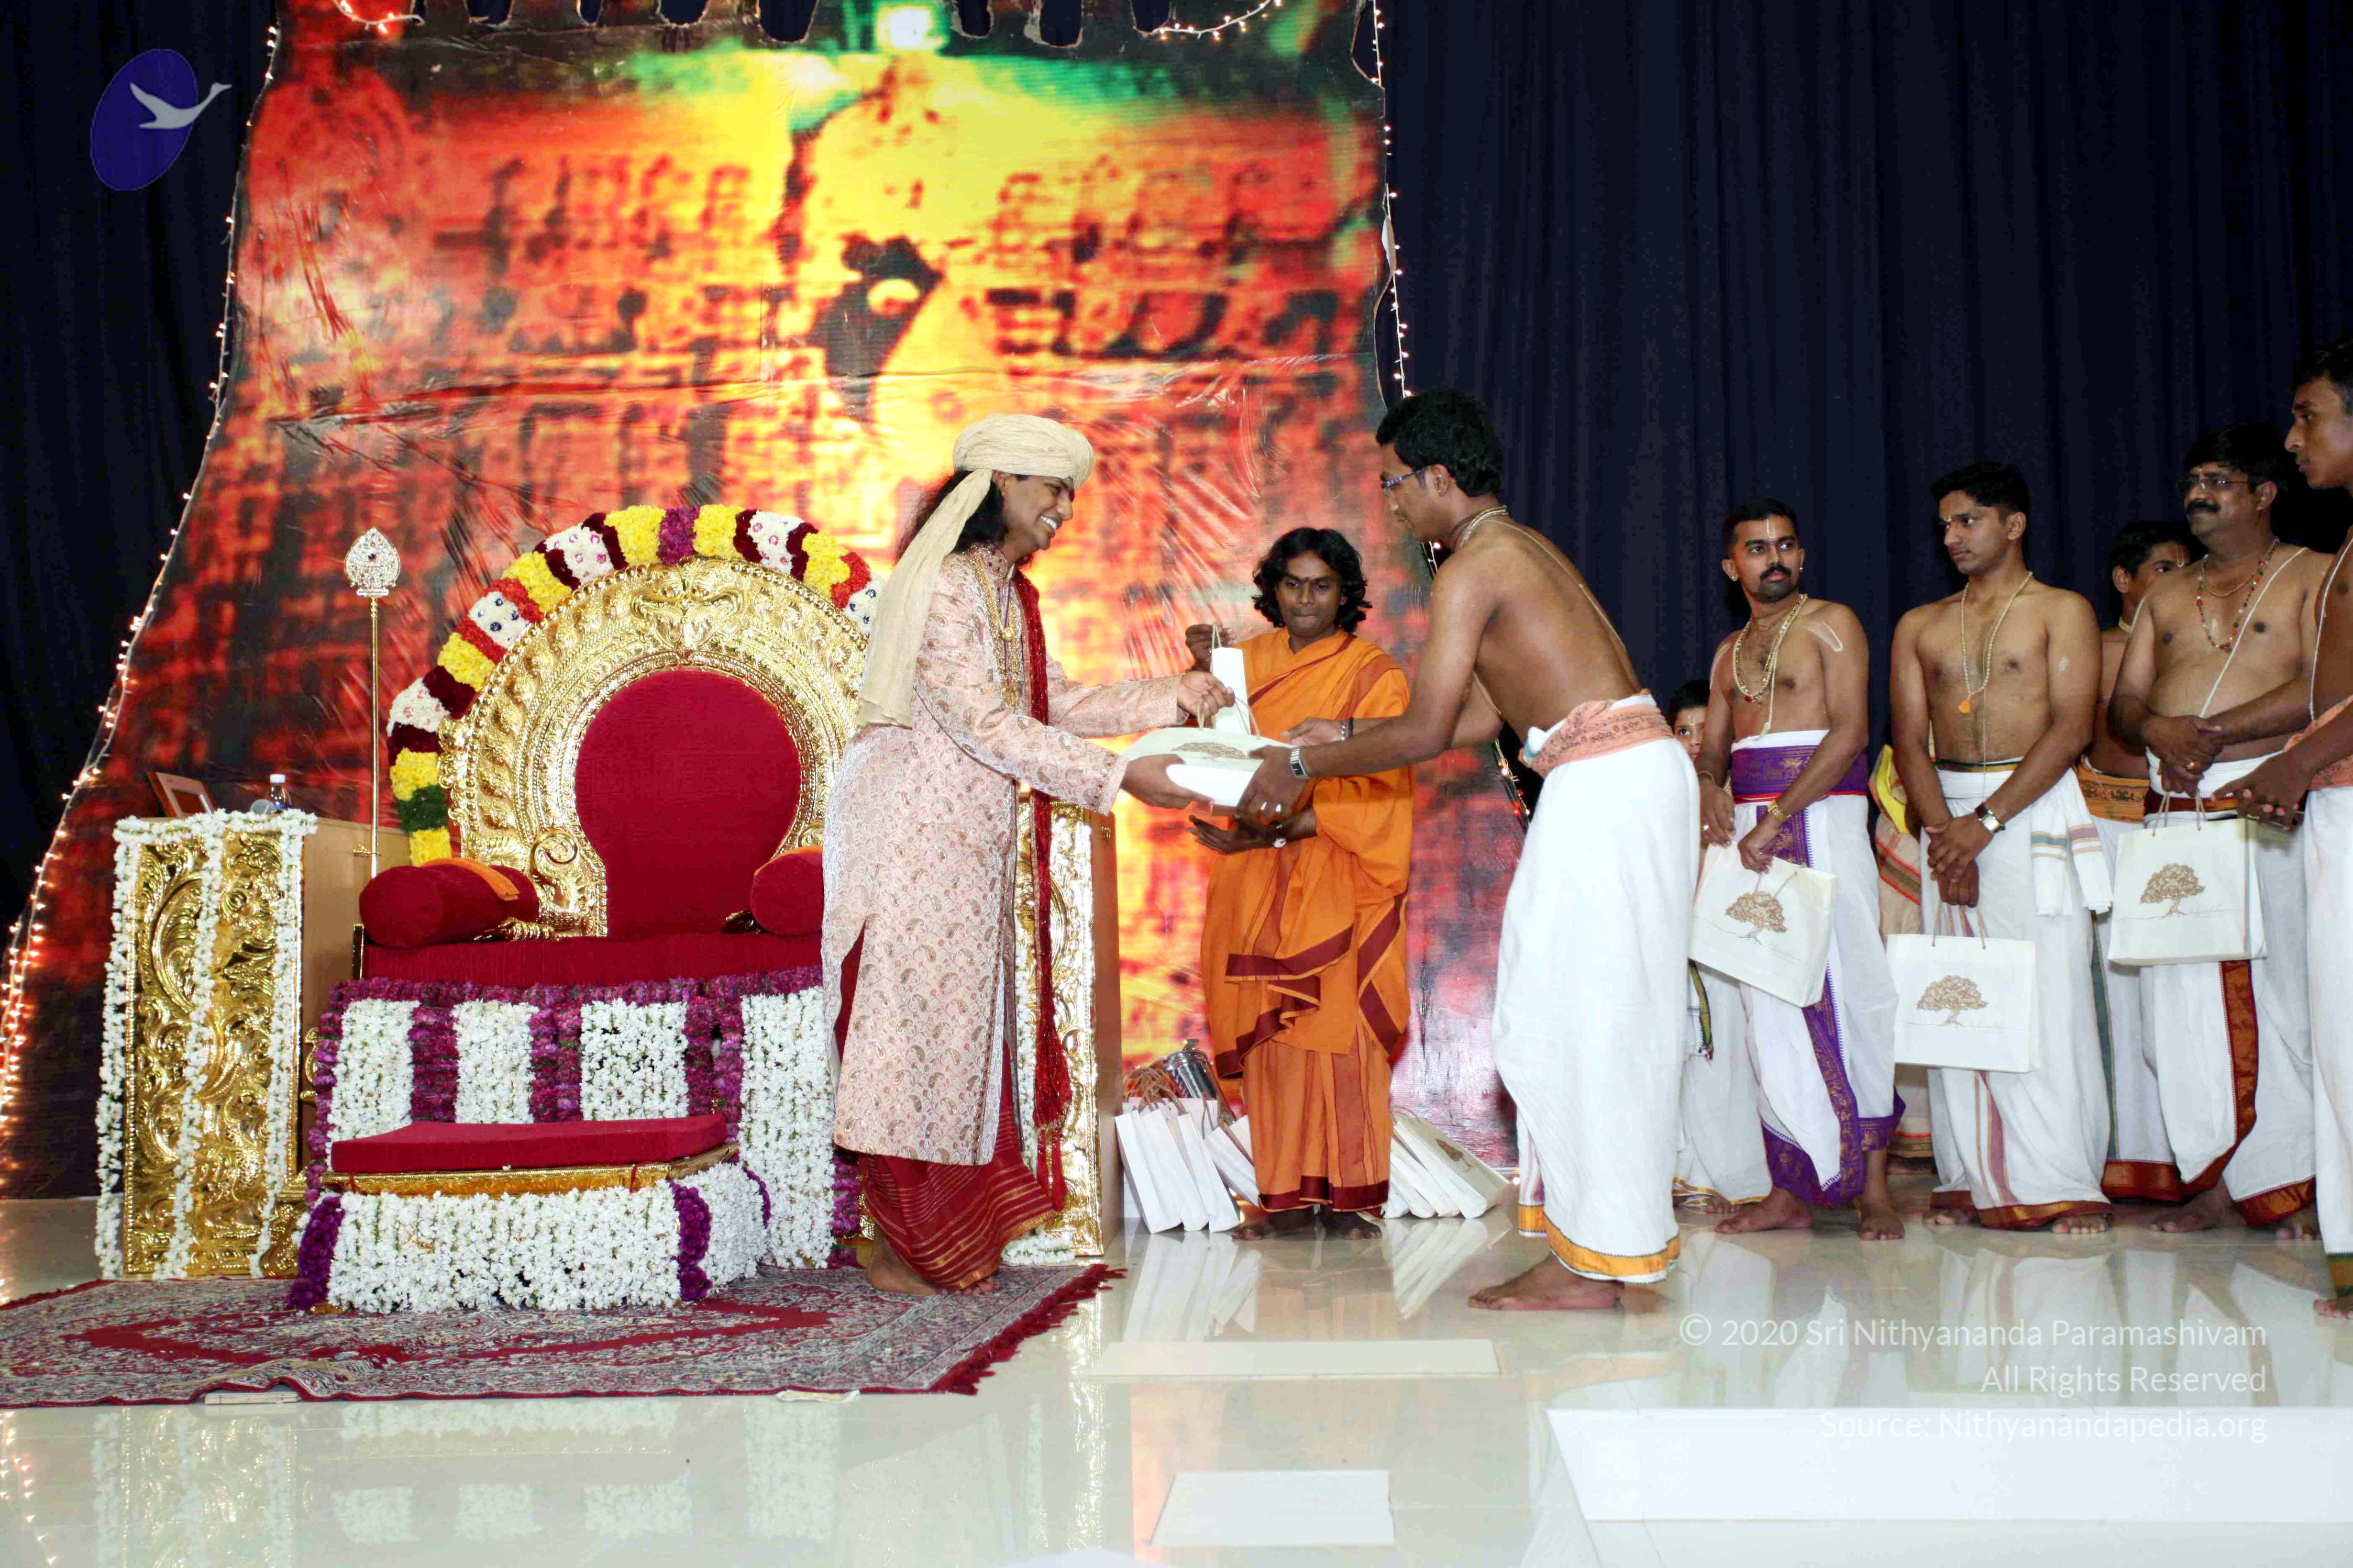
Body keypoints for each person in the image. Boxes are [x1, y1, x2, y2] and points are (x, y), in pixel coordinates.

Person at [1234, 387, 1696, 1310]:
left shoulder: (1474, 566)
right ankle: (1599, 1249)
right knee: (1572, 1020)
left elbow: (1424, 730)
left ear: (1439, 477)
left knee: (1578, 1025)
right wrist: (1343, 730)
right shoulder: (1514, 548)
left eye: (1394, 483)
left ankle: (1596, 1263)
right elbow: (1480, 716)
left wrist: (1301, 761)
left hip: (1607, 785)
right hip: (1617, 778)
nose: (1391, 503)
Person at [826, 414, 1232, 1295]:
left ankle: (932, 1242)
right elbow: (984, 722)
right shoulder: (944, 584)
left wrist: (1171, 695)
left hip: (967, 854)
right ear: (999, 483)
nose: (1066, 508)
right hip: (907, 846)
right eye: (1052, 488)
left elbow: (1051, 705)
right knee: (911, 1043)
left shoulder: (1007, 592)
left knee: (956, 1048)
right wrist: (1122, 775)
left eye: (1072, 493)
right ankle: (899, 1246)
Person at [2107, 425, 2329, 1238]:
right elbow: (2124, 705)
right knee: (2178, 1011)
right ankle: (2220, 1181)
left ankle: (2301, 1181)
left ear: (2264, 493)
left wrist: (2212, 733)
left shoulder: (2314, 574)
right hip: (2175, 809)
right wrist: (2160, 730)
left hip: (2267, 801)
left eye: (2217, 481)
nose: (2196, 495)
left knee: (2288, 1000)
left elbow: (2324, 686)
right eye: (2191, 481)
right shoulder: (2165, 596)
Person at [1890, 460, 2114, 1233]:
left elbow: (2072, 726)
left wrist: (1983, 824)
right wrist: (1942, 832)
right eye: (1944, 525)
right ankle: (1968, 1174)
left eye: (1967, 521)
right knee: (1956, 993)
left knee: (2046, 989)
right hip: (1944, 815)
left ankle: (2062, 1179)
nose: (1951, 537)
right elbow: (1908, 738)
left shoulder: (2061, 609)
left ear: (2013, 524)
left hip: (2028, 809)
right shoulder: (1920, 624)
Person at [1184, 528, 1412, 1240]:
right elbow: (1211, 748)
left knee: (1339, 1037)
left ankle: (1349, 1199)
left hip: (1337, 871)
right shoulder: (1245, 663)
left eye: (1321, 585)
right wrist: (1201, 671)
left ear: (1346, 594)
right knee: (1273, 1044)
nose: (1306, 599)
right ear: (1272, 590)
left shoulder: (1375, 676)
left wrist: (1280, 830)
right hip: (1253, 876)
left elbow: (1382, 791)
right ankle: (1281, 1197)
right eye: (1292, 584)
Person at [1695, 499, 1903, 1240]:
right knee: (1766, 1006)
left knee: (1853, 989)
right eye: (1756, 548)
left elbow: (1850, 732)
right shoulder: (1727, 652)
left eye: (1785, 544)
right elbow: (1714, 746)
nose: (1773, 558)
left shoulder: (1830, 624)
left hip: (1821, 816)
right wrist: (1708, 786)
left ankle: (1873, 1185)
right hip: (1750, 829)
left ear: (1802, 556)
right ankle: (1790, 1187)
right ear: (1732, 566)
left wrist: (1779, 815)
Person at [2218, 336, 2353, 1314]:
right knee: (2334, 1030)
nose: (2292, 437)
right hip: (2335, 796)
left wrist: (2295, 763)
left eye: (2308, 416)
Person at [2080, 519, 2199, 1203]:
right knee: (2111, 998)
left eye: (2185, 568)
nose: (2178, 582)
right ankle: (2117, 1157)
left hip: (2178, 827)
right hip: (2101, 826)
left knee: (2179, 996)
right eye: (2162, 569)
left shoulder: (2198, 646)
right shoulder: (2093, 649)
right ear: (2123, 579)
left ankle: (2191, 1158)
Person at [1666, 677, 1769, 1217]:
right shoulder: (1659, 795)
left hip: (1724, 953)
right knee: (1676, 1060)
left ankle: (1730, 1173)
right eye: (1681, 731)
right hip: (1673, 950)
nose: (1691, 742)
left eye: (1702, 732)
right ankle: (1682, 1171)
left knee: (1723, 1054)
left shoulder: (1739, 800)